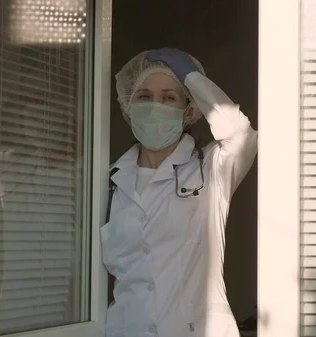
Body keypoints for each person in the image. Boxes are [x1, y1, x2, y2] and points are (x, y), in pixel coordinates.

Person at [101, 48, 258, 337]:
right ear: (128, 104)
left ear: (188, 110)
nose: (154, 105)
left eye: (168, 97)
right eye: (144, 96)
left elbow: (241, 134)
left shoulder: (211, 168)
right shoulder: (109, 181)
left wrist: (192, 78)